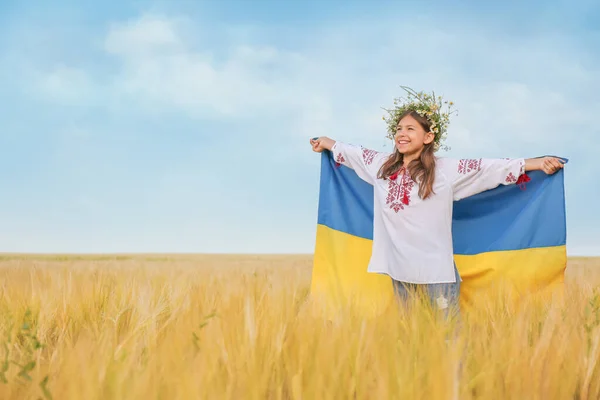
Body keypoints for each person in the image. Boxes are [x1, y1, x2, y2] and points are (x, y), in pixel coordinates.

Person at [309, 87, 564, 319]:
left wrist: (539, 162)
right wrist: (325, 142)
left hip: (436, 274)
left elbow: (491, 168)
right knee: (411, 339)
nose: (401, 134)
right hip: (400, 271)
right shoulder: (381, 166)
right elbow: (352, 153)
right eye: (398, 129)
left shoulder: (445, 171)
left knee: (447, 339)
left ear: (428, 136)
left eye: (410, 129)